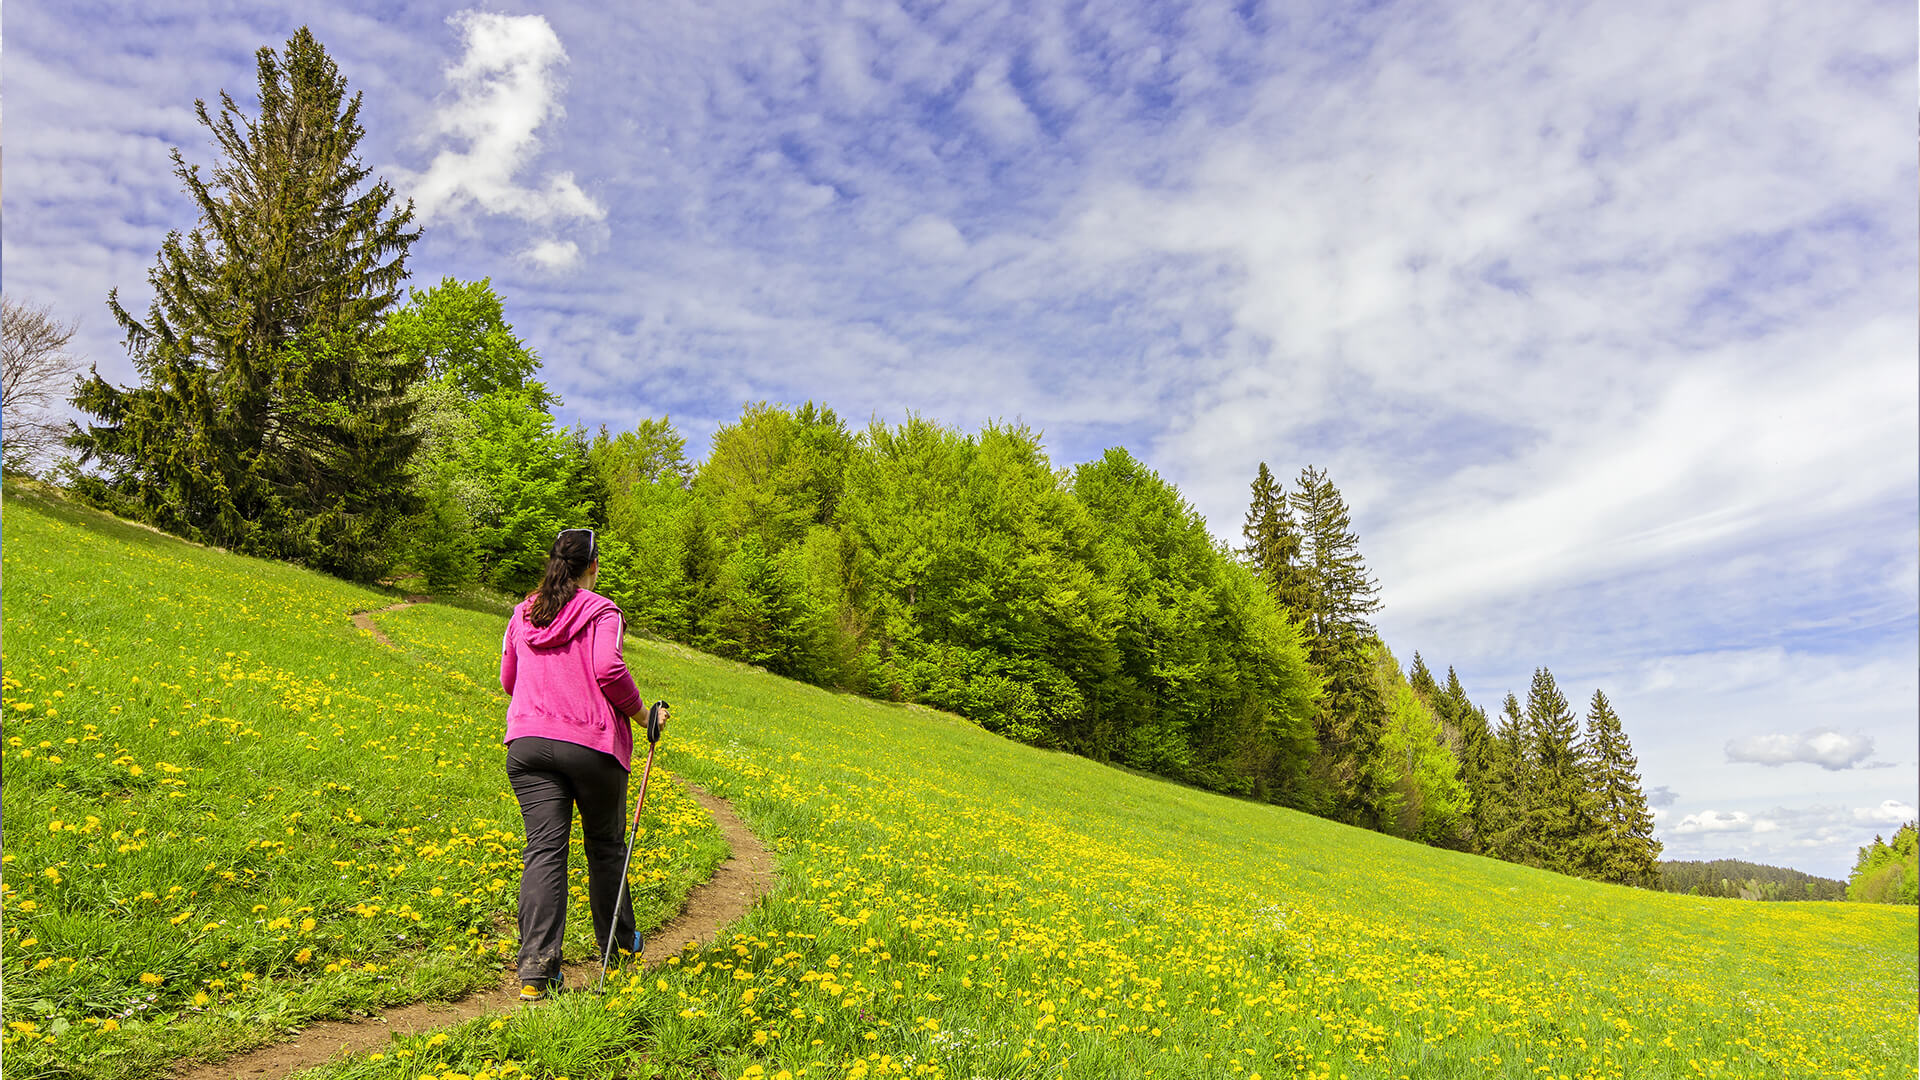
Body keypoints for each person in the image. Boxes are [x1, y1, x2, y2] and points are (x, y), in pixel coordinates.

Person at [499, 527, 661, 1002]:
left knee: (544, 851)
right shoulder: (602, 610)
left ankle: (536, 973)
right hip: (591, 745)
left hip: (528, 744)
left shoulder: (522, 613)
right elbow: (607, 669)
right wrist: (644, 715)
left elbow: (509, 679)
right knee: (606, 848)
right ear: (593, 566)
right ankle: (621, 948)